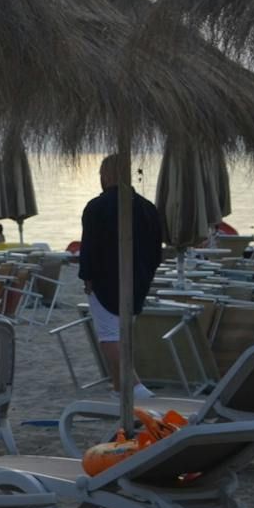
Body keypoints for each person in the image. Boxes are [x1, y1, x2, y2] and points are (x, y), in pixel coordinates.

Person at [79, 155, 164, 394]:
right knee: (123, 334)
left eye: (101, 174)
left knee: (109, 337)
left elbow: (90, 247)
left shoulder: (97, 207)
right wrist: (147, 273)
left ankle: (136, 388)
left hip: (105, 280)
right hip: (139, 279)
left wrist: (87, 277)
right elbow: (157, 250)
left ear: (108, 175)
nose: (100, 179)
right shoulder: (147, 208)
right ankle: (120, 389)